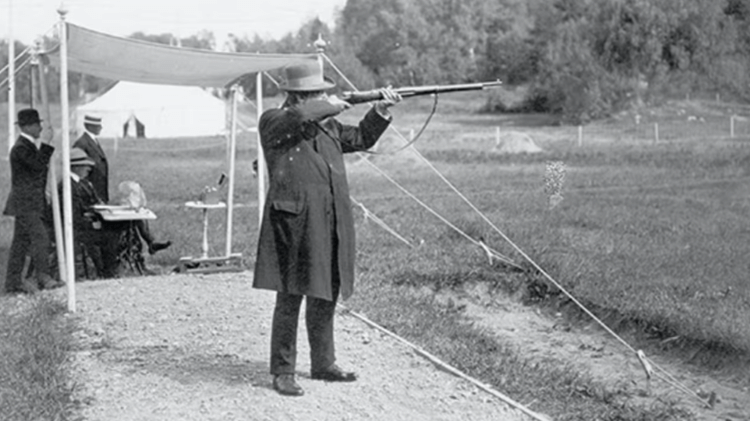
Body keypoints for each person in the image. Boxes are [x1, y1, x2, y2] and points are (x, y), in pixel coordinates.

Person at [253, 61, 401, 396]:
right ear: (298, 96)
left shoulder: (327, 126)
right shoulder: (275, 120)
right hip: (293, 222)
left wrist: (378, 110)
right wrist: (334, 104)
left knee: (326, 291)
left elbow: (360, 137)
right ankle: (283, 370)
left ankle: (323, 363)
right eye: (317, 93)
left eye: (322, 93)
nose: (323, 96)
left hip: (329, 220)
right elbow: (298, 118)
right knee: (290, 296)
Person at [73, 114, 170, 256]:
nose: (101, 127)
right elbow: (82, 169)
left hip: (98, 193)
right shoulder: (82, 144)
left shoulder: (92, 141)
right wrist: (92, 193)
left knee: (133, 211)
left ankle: (149, 242)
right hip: (90, 195)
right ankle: (145, 245)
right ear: (90, 126)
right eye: (98, 125)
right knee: (126, 218)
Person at [3, 108, 61, 293]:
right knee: (41, 238)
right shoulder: (20, 148)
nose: (40, 128)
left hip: (28, 202)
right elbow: (37, 167)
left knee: (20, 244)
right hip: (26, 204)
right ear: (27, 126)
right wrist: (46, 144)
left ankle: (12, 284)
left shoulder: (26, 146)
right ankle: (43, 276)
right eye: (37, 124)